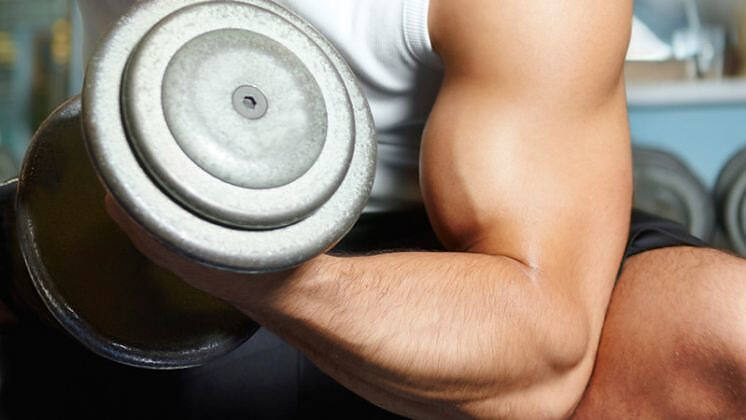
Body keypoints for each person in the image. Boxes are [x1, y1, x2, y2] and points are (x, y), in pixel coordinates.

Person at [6, 0, 743, 418]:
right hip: (158, 222)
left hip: (468, 258)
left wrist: (259, 277)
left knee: (719, 328)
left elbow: (541, 354)